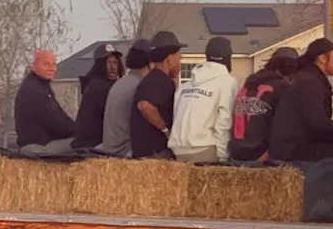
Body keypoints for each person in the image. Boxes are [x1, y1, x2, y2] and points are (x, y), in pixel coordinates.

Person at [168, 37, 239, 163]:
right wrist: (223, 157)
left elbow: (176, 116)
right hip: (204, 149)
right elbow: (224, 122)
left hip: (178, 150)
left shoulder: (186, 86)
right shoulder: (228, 83)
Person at [229, 47, 299, 162]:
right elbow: (285, 129)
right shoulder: (282, 89)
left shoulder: (248, 85)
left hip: (236, 152)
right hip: (261, 154)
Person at [131, 31, 185, 159]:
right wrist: (166, 131)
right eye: (178, 56)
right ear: (169, 59)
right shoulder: (162, 81)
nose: (180, 60)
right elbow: (144, 106)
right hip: (155, 154)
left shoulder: (150, 79)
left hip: (142, 153)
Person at [98, 39, 154, 157]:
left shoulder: (119, 83)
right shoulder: (139, 86)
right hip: (123, 151)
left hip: (109, 148)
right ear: (149, 62)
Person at [14, 50, 75, 156]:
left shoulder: (41, 86)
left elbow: (61, 116)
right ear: (34, 65)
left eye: (54, 64)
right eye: (46, 64)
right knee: (83, 143)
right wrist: (81, 133)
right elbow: (56, 124)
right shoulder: (34, 90)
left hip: (42, 143)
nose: (51, 68)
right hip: (37, 147)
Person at [72, 44, 125, 149]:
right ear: (100, 64)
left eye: (115, 62)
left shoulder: (102, 84)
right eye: (109, 62)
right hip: (93, 146)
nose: (113, 67)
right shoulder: (97, 87)